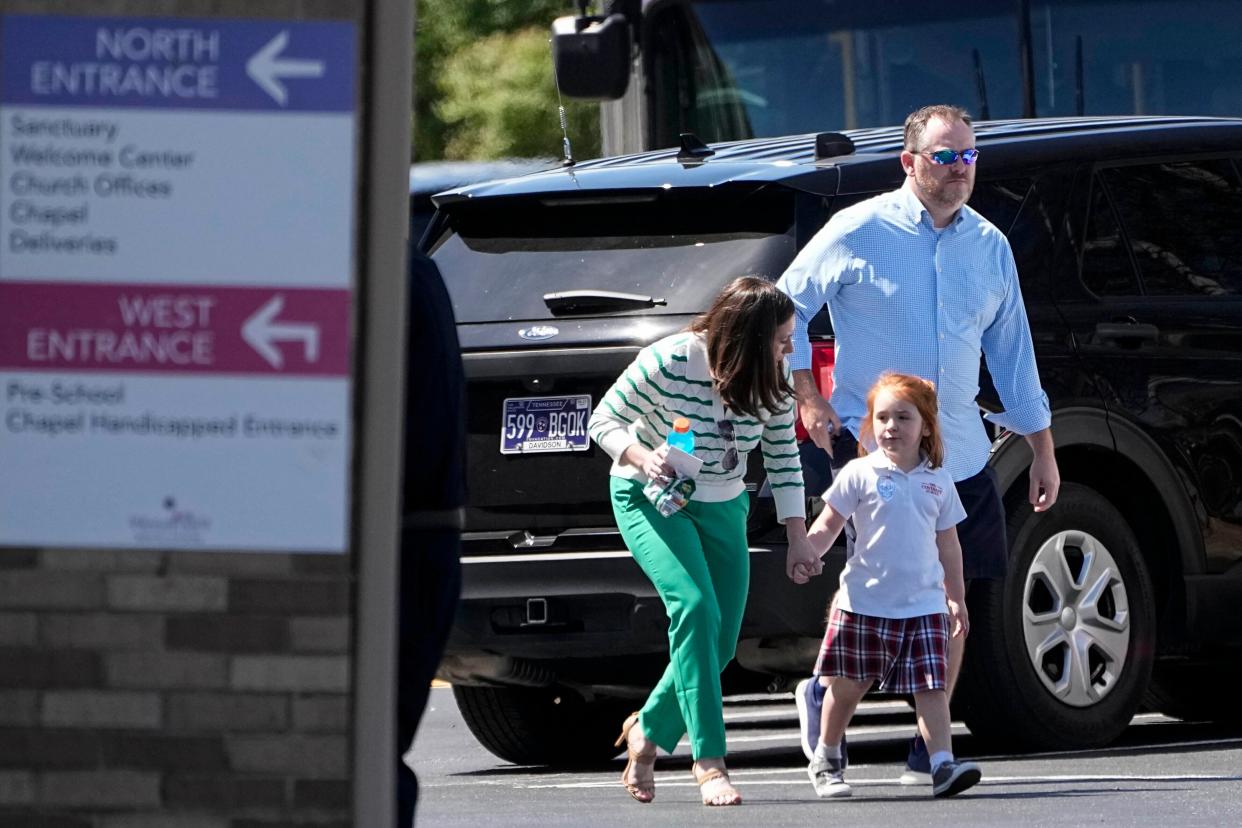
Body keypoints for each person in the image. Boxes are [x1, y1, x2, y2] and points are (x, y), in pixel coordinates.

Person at [777, 104, 1061, 783]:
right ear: (909, 162)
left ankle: (930, 752)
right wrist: (808, 398)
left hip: (959, 454)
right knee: (873, 591)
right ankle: (826, 699)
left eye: (968, 156)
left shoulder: (989, 245)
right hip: (871, 455)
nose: (959, 169)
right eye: (944, 156)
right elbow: (781, 310)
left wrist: (1043, 448)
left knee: (953, 604)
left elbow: (1013, 354)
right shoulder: (857, 229)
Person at [587, 276, 816, 806]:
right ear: (747, 338)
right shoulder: (668, 362)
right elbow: (604, 418)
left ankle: (647, 729)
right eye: (781, 339)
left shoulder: (775, 379)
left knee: (721, 640)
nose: (789, 349)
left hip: (724, 503)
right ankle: (709, 762)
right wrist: (642, 458)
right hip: (650, 497)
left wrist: (798, 536)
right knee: (693, 609)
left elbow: (783, 459)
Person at [800, 372, 980, 799]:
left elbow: (949, 546)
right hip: (864, 603)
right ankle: (826, 757)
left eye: (903, 417)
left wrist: (956, 599)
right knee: (846, 687)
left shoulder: (938, 481)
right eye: (882, 417)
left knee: (931, 689)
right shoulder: (858, 473)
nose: (890, 427)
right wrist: (807, 553)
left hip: (923, 606)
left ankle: (941, 765)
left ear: (926, 427)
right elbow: (828, 525)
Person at [398, 249, 465, 827]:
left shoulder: (390, 274)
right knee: (378, 752)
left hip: (402, 538)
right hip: (431, 531)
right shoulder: (417, 271)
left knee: (369, 752)